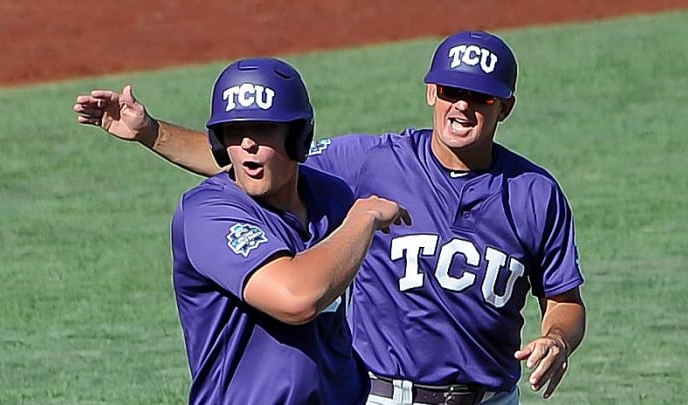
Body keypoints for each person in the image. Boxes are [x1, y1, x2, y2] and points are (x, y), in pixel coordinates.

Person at [74, 31, 586, 405]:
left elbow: (563, 299)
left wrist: (556, 339)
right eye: (451, 92)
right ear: (431, 92)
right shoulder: (372, 163)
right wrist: (151, 132)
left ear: (506, 107)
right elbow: (260, 161)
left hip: (492, 398)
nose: (462, 107)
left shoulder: (535, 194)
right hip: (388, 397)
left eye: (482, 97)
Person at [78, 57, 410, 404]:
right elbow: (297, 299)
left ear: (299, 137)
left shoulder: (332, 195)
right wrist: (363, 219)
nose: (248, 144)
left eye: (264, 129)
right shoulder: (207, 214)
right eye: (234, 131)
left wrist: (151, 131)